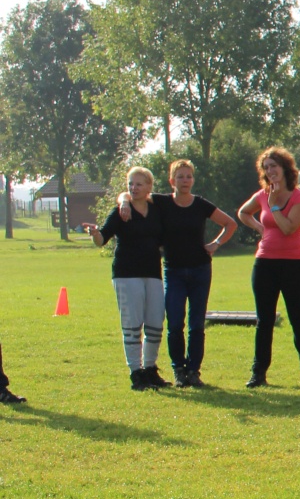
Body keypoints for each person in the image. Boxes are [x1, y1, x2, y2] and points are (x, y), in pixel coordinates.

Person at [117, 159, 237, 388]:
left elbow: (230, 224)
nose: (185, 181)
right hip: (173, 271)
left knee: (196, 324)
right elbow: (131, 194)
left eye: (188, 176)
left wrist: (215, 244)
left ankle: (194, 371)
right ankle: (179, 370)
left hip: (200, 270)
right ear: (172, 181)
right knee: (174, 324)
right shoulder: (161, 202)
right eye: (180, 177)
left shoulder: (201, 204)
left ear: (193, 180)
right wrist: (123, 201)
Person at [236, 148, 300, 388]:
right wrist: (259, 228)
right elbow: (243, 212)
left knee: (298, 319)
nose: (270, 171)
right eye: (266, 167)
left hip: (295, 265)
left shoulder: (299, 197)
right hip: (265, 263)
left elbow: (289, 228)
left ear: (285, 168)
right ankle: (258, 373)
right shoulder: (262, 195)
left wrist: (273, 207)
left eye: (274, 166)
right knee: (264, 320)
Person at [84, 166, 169, 390]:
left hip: (153, 273)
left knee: (155, 323)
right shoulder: (121, 211)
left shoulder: (157, 208)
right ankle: (136, 373)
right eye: (130, 184)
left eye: (139, 184)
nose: (134, 188)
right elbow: (102, 239)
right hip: (126, 274)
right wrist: (95, 233)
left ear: (149, 186)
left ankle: (150, 369)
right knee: (132, 324)